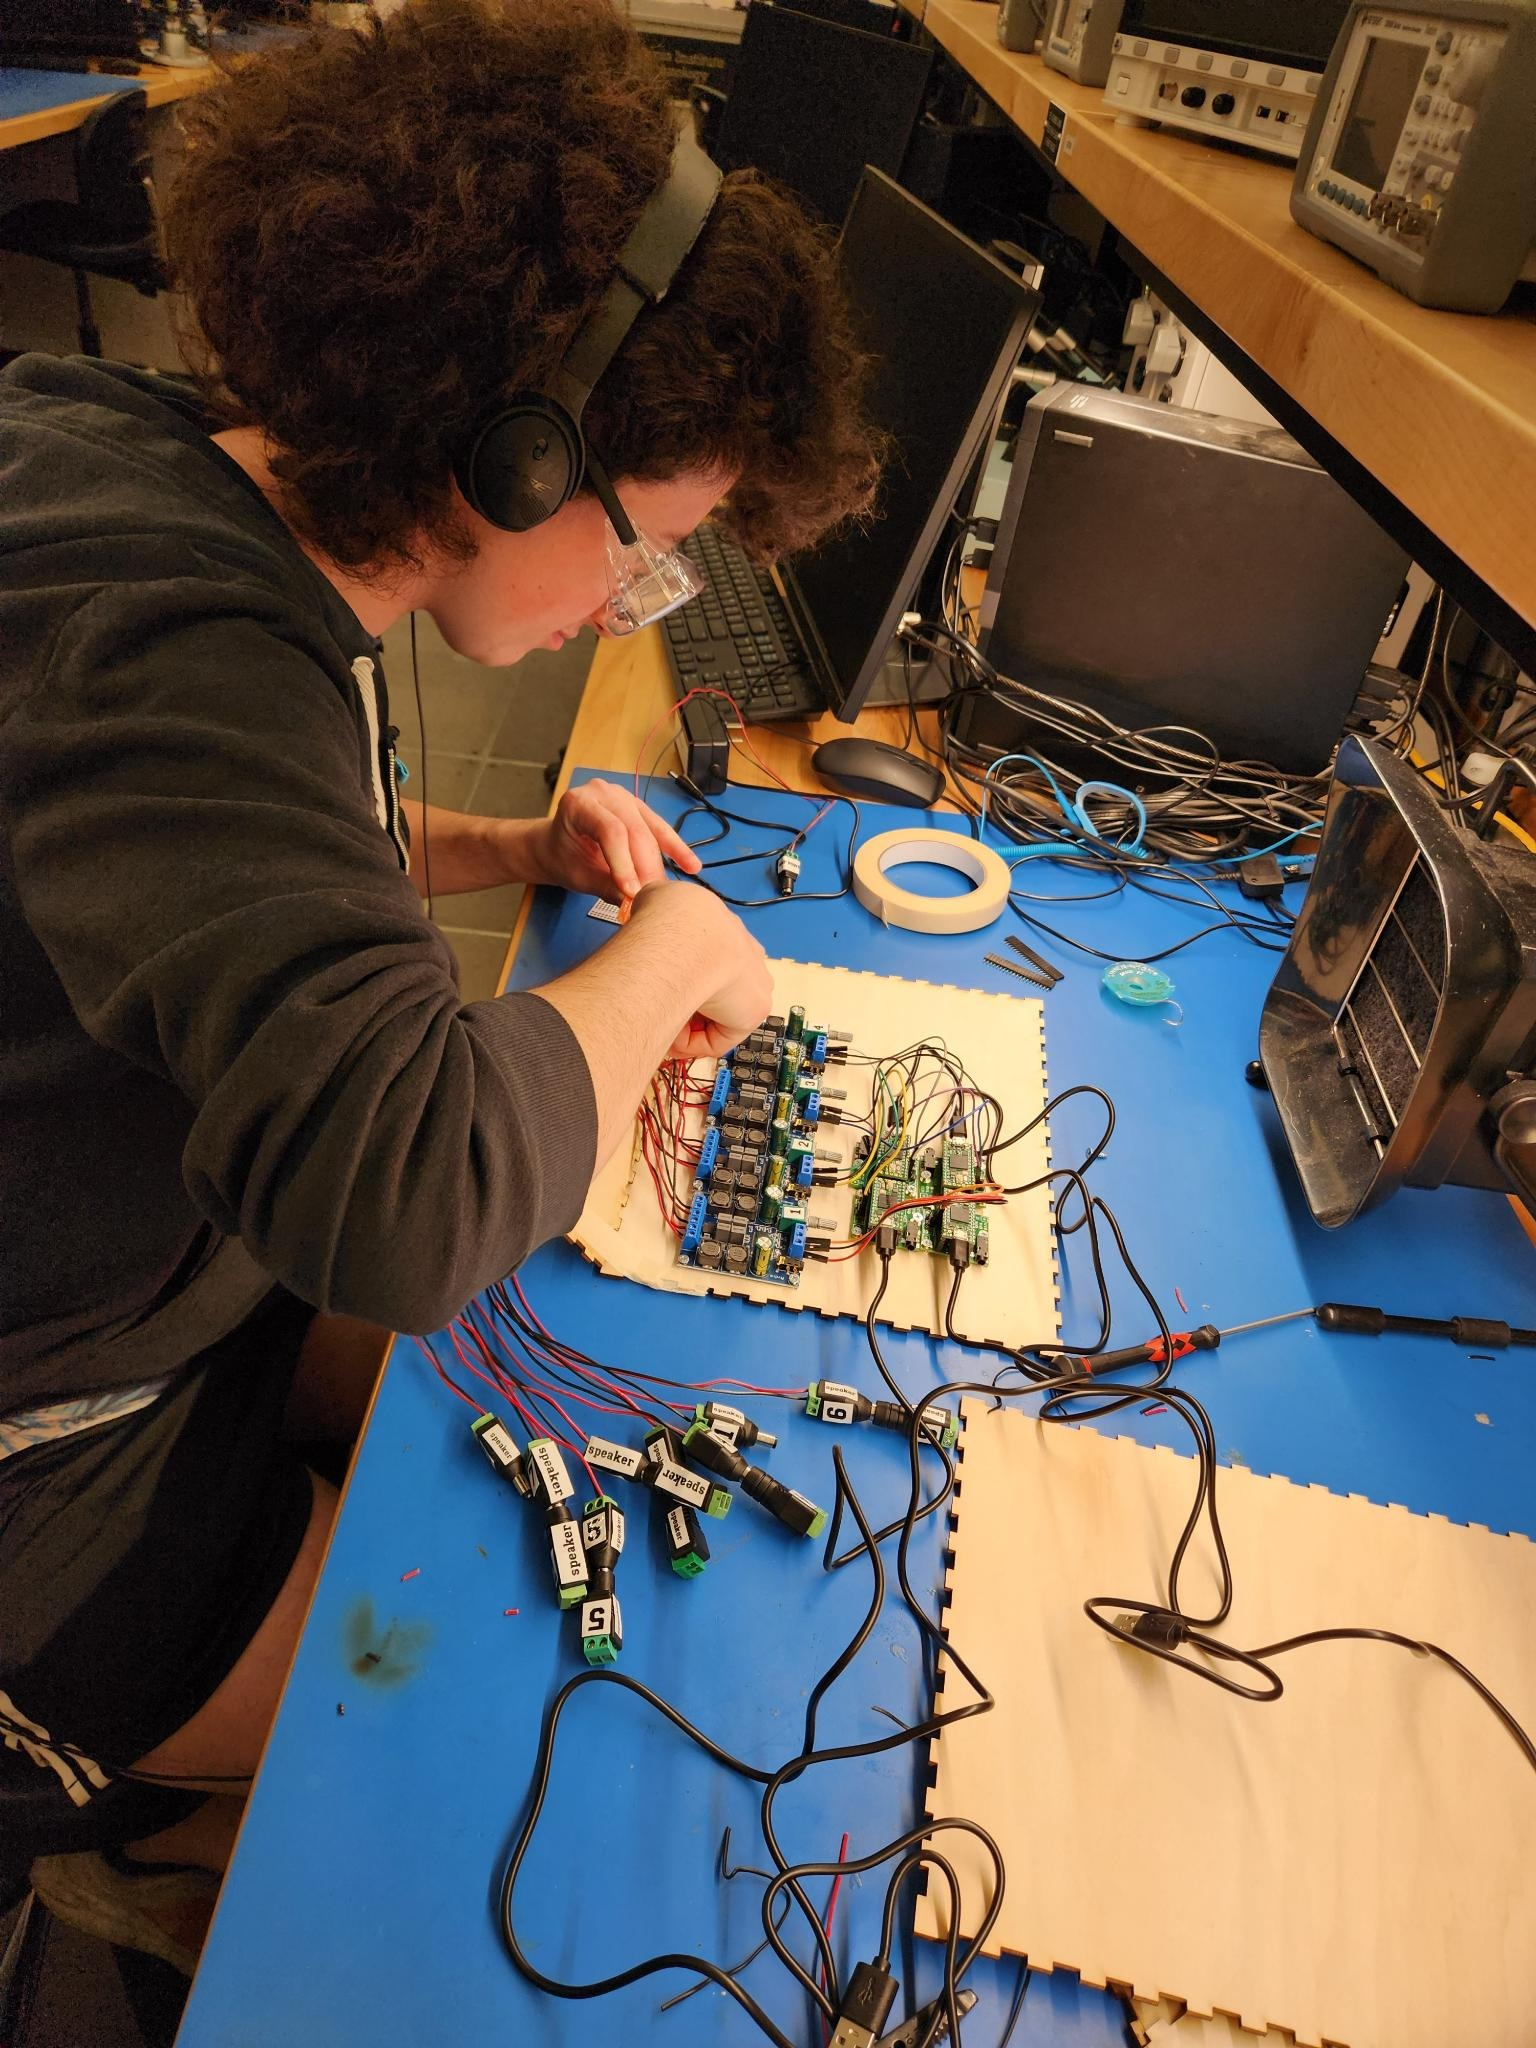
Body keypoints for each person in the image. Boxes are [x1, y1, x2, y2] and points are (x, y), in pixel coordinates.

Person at [0, 0, 877, 1965]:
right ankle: (140, 1856)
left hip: (125, 1271)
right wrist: (669, 951)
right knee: (483, 1701)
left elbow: (218, 870)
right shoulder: (177, 656)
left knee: (524, 1410)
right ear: (516, 451)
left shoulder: (141, 460)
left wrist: (505, 851)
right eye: (646, 556)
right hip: (40, 1443)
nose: (629, 610)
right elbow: (404, 1203)